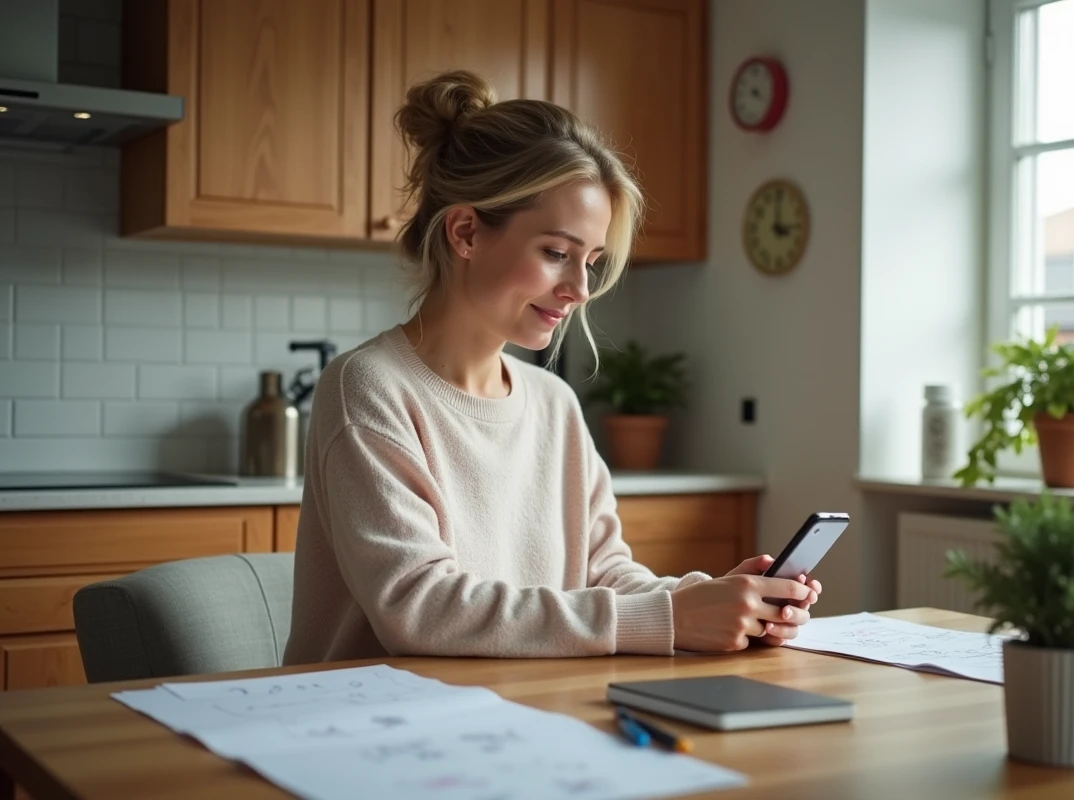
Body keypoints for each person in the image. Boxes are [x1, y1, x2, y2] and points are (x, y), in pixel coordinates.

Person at [282, 70, 822, 666]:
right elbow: (420, 606)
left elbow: (606, 577)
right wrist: (673, 618)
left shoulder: (552, 402)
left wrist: (712, 600)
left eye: (591, 261)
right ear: (465, 232)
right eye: (557, 254)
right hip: (370, 725)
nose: (580, 289)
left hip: (517, 714)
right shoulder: (370, 387)